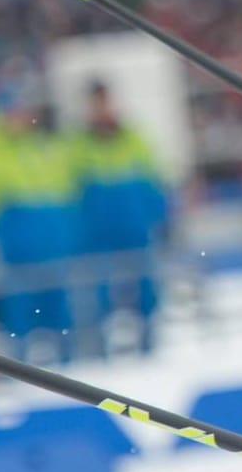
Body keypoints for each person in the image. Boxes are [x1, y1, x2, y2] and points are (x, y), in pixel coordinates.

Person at [0, 93, 83, 364]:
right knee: (18, 314)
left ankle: (70, 365)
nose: (20, 120)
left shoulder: (44, 147)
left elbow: (65, 191)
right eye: (14, 114)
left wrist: (64, 233)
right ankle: (18, 366)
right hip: (18, 251)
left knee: (60, 312)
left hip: (51, 246)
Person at [74, 80, 172, 357]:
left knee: (146, 288)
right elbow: (73, 191)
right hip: (99, 231)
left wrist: (161, 217)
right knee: (100, 291)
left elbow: (154, 180)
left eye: (104, 101)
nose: (101, 109)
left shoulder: (133, 137)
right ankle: (101, 349)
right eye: (96, 103)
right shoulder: (80, 144)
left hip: (135, 227)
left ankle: (149, 345)